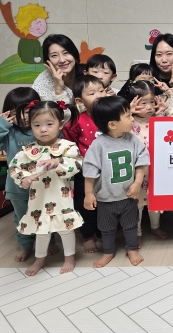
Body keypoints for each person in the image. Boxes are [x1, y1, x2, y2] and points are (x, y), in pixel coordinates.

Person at [0, 87, 59, 262]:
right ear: (8, 114)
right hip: (17, 186)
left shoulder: (42, 129)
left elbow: (59, 143)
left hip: (45, 185)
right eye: (16, 113)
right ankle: (26, 245)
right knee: (23, 217)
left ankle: (49, 241)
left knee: (47, 214)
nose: (24, 117)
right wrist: (0, 124)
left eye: (27, 111)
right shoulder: (8, 131)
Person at [9, 100, 82, 276]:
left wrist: (58, 161)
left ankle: (69, 258)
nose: (43, 129)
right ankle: (39, 259)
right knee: (40, 230)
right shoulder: (28, 150)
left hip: (61, 197)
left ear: (60, 124)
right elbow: (14, 167)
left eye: (49, 124)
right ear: (30, 125)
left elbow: (77, 164)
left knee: (66, 228)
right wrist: (23, 178)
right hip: (38, 199)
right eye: (37, 125)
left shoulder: (67, 147)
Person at [83, 97, 150, 267]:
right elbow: (90, 171)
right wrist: (89, 193)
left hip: (128, 196)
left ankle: (131, 249)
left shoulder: (132, 139)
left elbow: (142, 162)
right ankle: (108, 252)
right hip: (106, 198)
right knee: (106, 228)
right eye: (128, 116)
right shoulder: (98, 145)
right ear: (113, 124)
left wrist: (137, 183)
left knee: (131, 225)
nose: (132, 119)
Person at [122, 80, 173, 248]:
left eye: (151, 102)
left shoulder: (159, 118)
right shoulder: (128, 122)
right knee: (137, 204)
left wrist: (167, 109)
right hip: (137, 172)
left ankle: (155, 226)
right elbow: (113, 131)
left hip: (156, 170)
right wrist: (128, 112)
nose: (149, 107)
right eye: (143, 103)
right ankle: (137, 233)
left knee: (155, 201)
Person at [62, 75, 107, 253]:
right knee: (85, 204)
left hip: (108, 169)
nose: (99, 95)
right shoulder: (77, 120)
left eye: (101, 91)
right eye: (92, 93)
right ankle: (88, 236)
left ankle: (103, 232)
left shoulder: (111, 115)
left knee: (105, 203)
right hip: (85, 171)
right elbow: (68, 141)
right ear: (80, 100)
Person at [32, 34, 84, 104]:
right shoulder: (41, 85)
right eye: (54, 55)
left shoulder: (88, 72)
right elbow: (59, 112)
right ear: (48, 60)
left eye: (66, 53)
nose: (62, 60)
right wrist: (58, 89)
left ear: (74, 54)